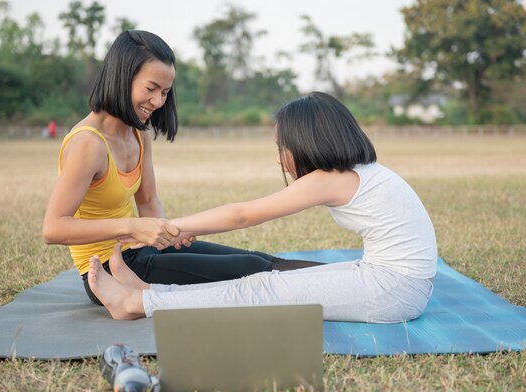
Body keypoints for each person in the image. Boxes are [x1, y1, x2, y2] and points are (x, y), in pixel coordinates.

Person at [86, 91, 438, 322]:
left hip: (395, 290)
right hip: (393, 279)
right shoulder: (358, 172)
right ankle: (149, 293)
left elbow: (243, 214)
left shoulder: (332, 178)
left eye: (280, 147)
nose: (280, 160)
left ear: (307, 142)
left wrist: (168, 228)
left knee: (259, 290)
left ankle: (134, 304)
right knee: (268, 280)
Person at [42, 30, 320, 305]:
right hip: (111, 268)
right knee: (249, 268)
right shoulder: (87, 143)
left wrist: (166, 235)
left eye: (164, 92)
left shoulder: (139, 134)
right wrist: (133, 227)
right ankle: (336, 287)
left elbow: (149, 200)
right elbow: (53, 229)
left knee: (257, 259)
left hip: (142, 251)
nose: (158, 101)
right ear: (122, 77)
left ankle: (346, 278)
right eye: (151, 89)